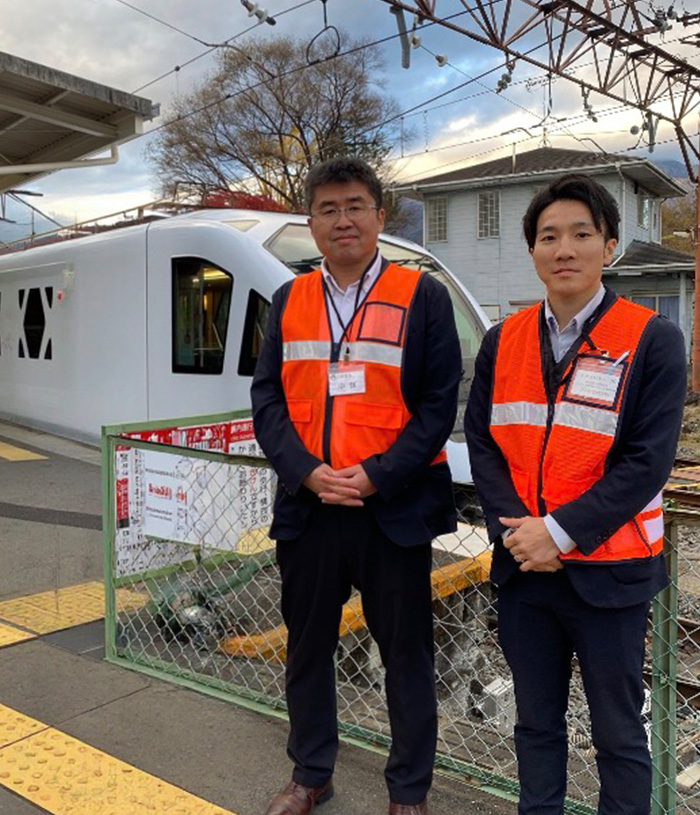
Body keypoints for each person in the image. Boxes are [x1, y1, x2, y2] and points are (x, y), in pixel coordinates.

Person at [465, 173, 686, 815]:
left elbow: (646, 464)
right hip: (525, 572)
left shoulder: (652, 340)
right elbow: (484, 443)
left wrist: (555, 533)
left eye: (581, 234)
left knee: (618, 735)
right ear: (531, 251)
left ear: (609, 247)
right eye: (548, 236)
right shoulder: (501, 341)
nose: (565, 249)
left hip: (610, 576)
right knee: (535, 725)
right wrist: (522, 536)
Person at [251, 156, 462, 815]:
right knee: (307, 648)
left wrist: (374, 476)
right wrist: (306, 472)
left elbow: (438, 403)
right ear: (311, 222)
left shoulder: (422, 295)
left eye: (355, 206)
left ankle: (409, 792)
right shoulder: (289, 300)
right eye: (327, 209)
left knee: (406, 657)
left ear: (379, 215)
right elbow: (267, 401)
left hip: (391, 510)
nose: (342, 220)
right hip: (310, 508)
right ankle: (311, 772)